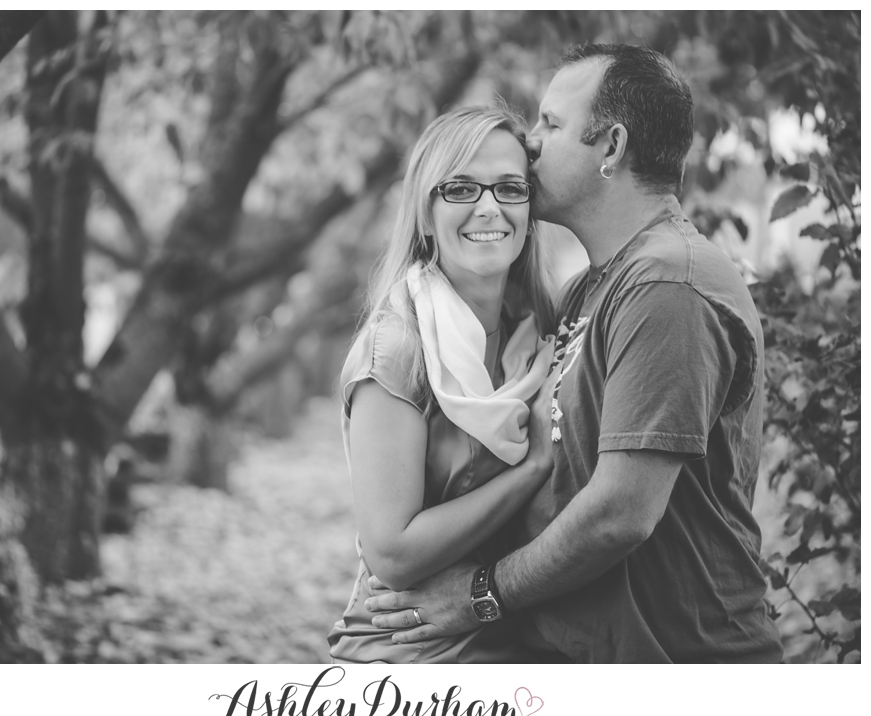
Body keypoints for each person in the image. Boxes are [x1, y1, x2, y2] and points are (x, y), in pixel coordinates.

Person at [365, 43, 784, 663]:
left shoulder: (667, 285)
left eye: (551, 124)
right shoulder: (591, 288)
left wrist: (482, 594)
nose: (530, 143)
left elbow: (621, 513)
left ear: (611, 148)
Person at [327, 105, 558, 663]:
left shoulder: (538, 333)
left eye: (509, 188)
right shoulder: (398, 348)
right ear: (426, 214)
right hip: (409, 655)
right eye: (460, 188)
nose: (488, 207)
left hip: (514, 639)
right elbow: (394, 552)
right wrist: (531, 467)